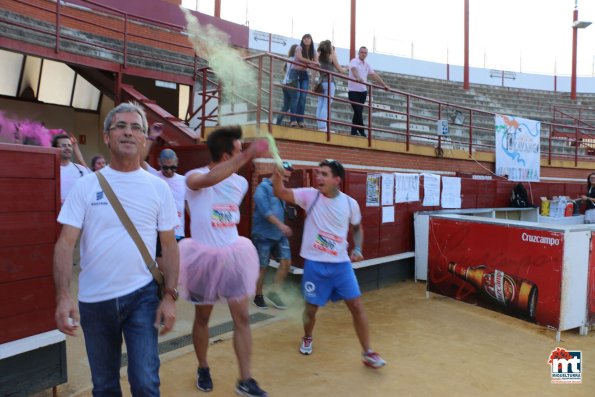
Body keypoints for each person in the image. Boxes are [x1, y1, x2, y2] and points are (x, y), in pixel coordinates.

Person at [53, 101, 180, 396]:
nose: (128, 131)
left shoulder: (158, 188)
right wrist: (62, 297)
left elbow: (169, 246)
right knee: (105, 386)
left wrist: (170, 296)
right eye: (120, 126)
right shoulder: (86, 186)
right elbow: (64, 243)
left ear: (144, 138)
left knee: (146, 383)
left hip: (143, 297)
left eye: (136, 127)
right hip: (94, 300)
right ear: (107, 136)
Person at [178, 126, 269, 396]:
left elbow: (220, 193)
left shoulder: (240, 183)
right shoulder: (193, 176)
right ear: (227, 153)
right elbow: (209, 181)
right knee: (203, 317)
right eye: (239, 151)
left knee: (242, 318)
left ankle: (245, 379)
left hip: (233, 255)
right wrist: (247, 156)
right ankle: (203, 367)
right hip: (203, 259)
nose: (243, 156)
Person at [272, 159, 386, 369]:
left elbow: (357, 228)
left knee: (357, 306)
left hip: (341, 265)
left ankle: (368, 352)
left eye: (324, 174)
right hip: (315, 265)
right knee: (311, 309)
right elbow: (280, 192)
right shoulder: (309, 195)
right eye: (318, 173)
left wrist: (358, 248)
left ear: (337, 180)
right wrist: (278, 174)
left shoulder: (350, 203)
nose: (319, 177)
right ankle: (307, 337)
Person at [251, 161, 295, 309]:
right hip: (263, 234)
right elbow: (266, 212)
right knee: (262, 266)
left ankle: (274, 292)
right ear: (276, 172)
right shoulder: (262, 189)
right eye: (285, 176)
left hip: (278, 234)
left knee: (286, 262)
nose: (287, 180)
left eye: (288, 177)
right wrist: (281, 225)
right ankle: (258, 295)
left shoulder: (280, 189)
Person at [348, 46, 390, 137]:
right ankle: (362, 130)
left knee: (358, 112)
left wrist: (384, 85)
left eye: (365, 53)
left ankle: (353, 131)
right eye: (362, 52)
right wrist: (358, 77)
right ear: (358, 53)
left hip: (363, 91)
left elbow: (374, 75)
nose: (363, 54)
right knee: (358, 110)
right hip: (353, 91)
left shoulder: (367, 64)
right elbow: (354, 69)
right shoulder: (354, 61)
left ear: (367, 54)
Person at [315, 40, 347, 132]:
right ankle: (323, 127)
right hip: (329, 82)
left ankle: (320, 126)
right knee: (326, 104)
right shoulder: (331, 54)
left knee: (320, 104)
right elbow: (340, 69)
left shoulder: (318, 55)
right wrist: (346, 68)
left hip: (321, 81)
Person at [52, 133, 91, 204]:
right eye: (63, 146)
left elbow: (89, 192)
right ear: (55, 148)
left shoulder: (81, 170)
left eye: (69, 145)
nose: (67, 148)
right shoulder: (49, 170)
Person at [290, 33, 319, 128]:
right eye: (304, 38)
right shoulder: (299, 48)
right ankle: (293, 120)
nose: (306, 40)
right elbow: (300, 58)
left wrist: (313, 83)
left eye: (308, 38)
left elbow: (316, 64)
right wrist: (312, 62)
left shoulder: (313, 51)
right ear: (302, 40)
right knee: (296, 96)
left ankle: (300, 120)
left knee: (303, 98)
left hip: (304, 74)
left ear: (311, 40)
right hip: (295, 72)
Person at [276, 44, 299, 126]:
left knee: (286, 106)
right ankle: (293, 120)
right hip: (291, 83)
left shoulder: (289, 59)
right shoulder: (296, 60)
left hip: (285, 83)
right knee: (294, 101)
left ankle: (278, 122)